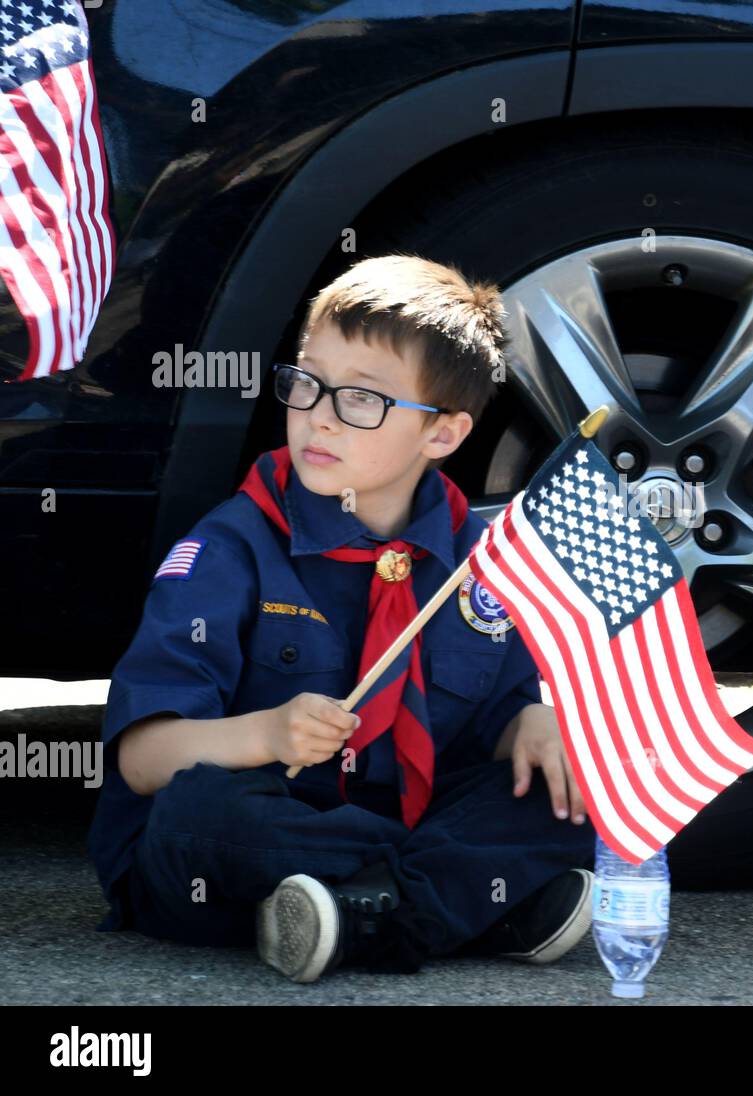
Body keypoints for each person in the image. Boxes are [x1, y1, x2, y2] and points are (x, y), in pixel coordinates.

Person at [88, 254, 596, 983]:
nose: (320, 415)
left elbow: (497, 720)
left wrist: (533, 725)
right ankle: (445, 904)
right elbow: (141, 762)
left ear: (443, 436)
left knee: (578, 794)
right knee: (201, 812)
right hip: (247, 837)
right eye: (306, 382)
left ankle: (359, 916)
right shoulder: (227, 549)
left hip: (386, 820)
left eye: (362, 399)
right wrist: (264, 733)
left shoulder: (480, 565)